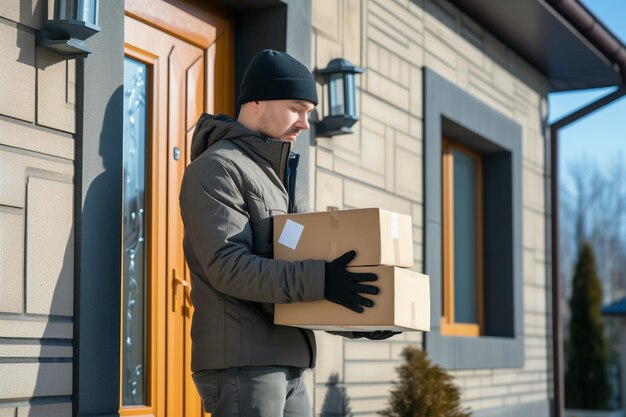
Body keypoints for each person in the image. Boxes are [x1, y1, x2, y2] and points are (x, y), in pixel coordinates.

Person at [179, 49, 398, 417]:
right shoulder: (217, 168)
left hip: (289, 359)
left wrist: (364, 318)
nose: (304, 124)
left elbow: (303, 276)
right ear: (256, 102)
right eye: (296, 108)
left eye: (309, 113)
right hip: (243, 364)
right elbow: (229, 267)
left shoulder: (280, 178)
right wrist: (322, 280)